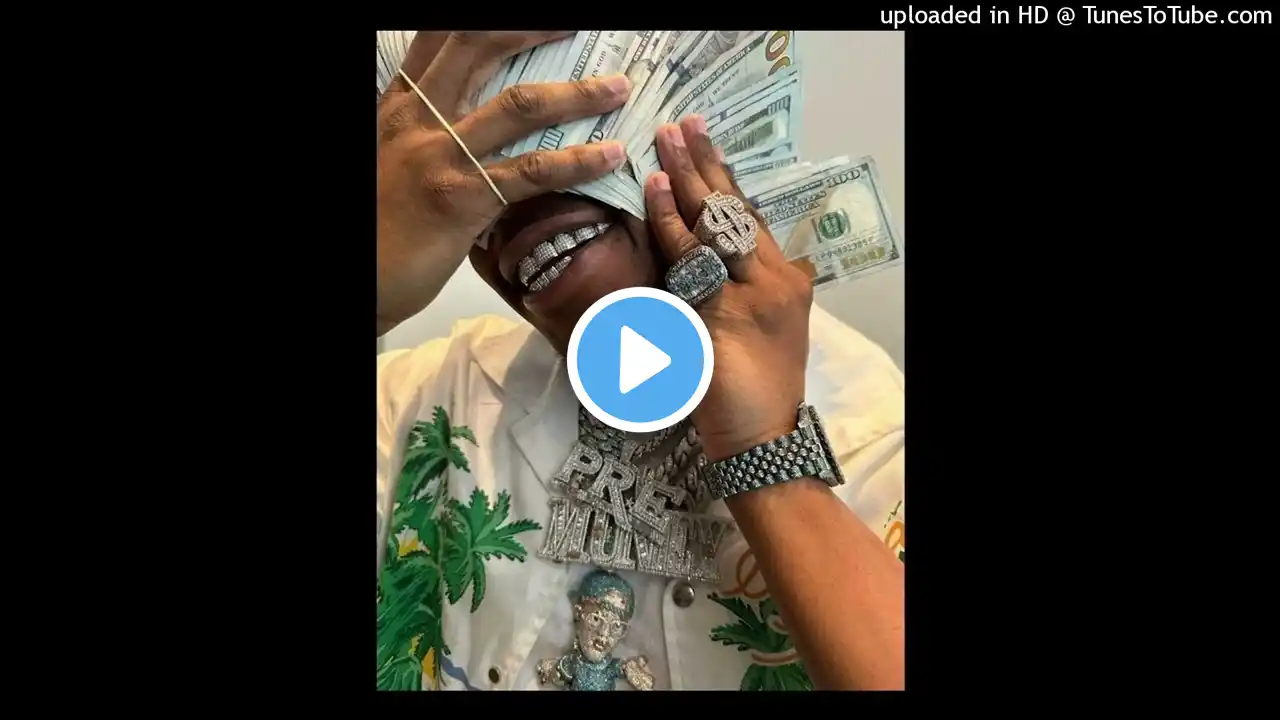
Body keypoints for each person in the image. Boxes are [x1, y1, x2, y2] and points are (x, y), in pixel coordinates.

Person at [376, 31, 905, 692]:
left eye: (552, 135)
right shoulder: (429, 396)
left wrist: (764, 451)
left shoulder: (873, 434)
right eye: (467, 163)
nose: (500, 197)